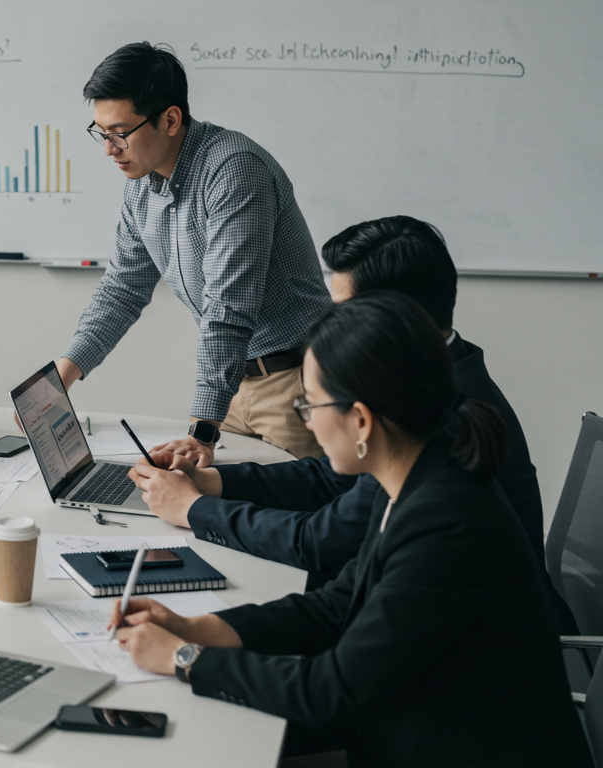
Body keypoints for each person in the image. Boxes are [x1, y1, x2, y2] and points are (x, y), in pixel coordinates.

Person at [112, 292, 590, 767]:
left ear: (360, 420)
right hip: (412, 722)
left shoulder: (447, 521)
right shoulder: (412, 470)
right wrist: (199, 629)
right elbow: (338, 604)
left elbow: (331, 689)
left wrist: (185, 658)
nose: (307, 423)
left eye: (309, 405)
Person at [130, 216, 574, 631]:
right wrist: (211, 483)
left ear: (396, 315)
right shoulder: (433, 374)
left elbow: (323, 542)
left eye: (344, 310)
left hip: (472, 644)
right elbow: (332, 480)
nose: (330, 326)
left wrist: (193, 509)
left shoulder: (445, 413)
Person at [56, 42, 331, 462]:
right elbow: (123, 288)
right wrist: (64, 373)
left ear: (170, 119)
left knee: (298, 501)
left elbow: (228, 307)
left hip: (295, 383)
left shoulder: (234, 171)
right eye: (101, 132)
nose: (109, 149)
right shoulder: (141, 186)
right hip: (231, 385)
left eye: (120, 133)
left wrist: (202, 428)